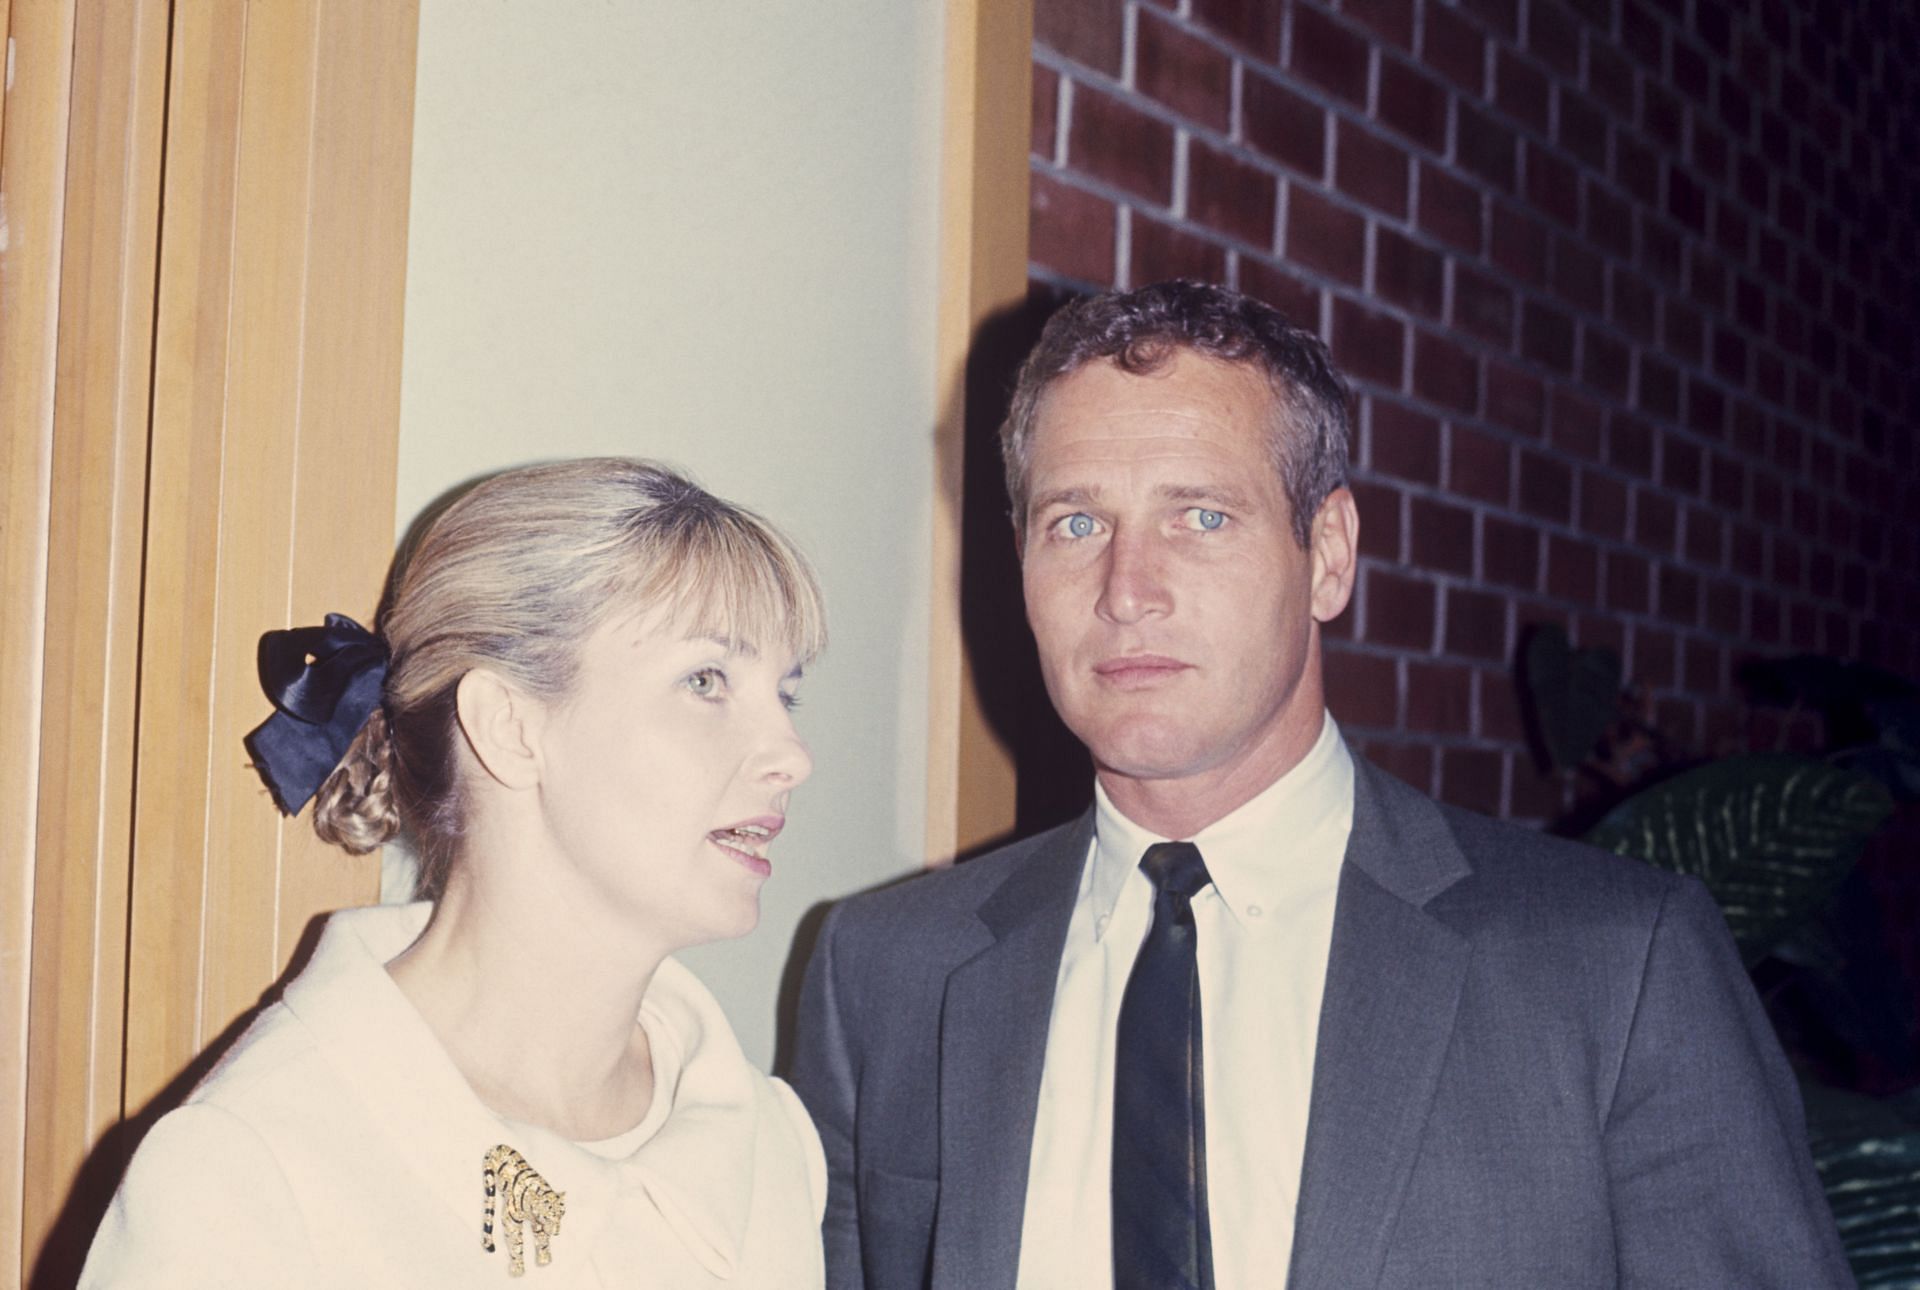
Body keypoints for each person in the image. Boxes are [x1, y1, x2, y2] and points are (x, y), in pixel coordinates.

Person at [789, 281, 1851, 1289]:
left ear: (1329, 554)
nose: (1126, 589)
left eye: (1200, 516)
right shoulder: (887, 975)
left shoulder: (1614, 971)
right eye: (1075, 522)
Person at [83, 459, 829, 1287]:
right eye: (706, 680)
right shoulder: (249, 1175)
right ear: (508, 726)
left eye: (785, 695)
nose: (791, 757)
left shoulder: (766, 1143)